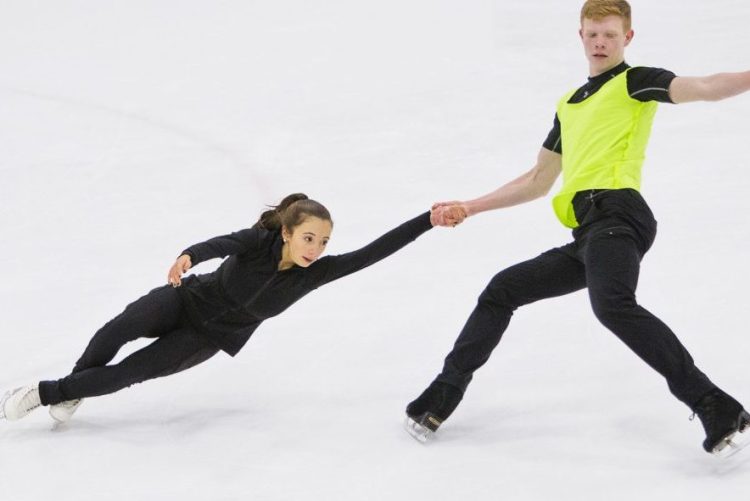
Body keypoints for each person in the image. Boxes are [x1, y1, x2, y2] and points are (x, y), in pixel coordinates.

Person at [404, 0, 750, 455]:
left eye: (610, 33)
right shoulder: (568, 105)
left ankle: (714, 404)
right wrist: (471, 206)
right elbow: (537, 180)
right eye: (592, 33)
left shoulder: (636, 82)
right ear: (581, 36)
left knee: (611, 304)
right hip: (588, 232)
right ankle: (441, 396)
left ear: (627, 37)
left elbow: (704, 86)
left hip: (619, 215)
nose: (601, 41)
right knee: (501, 290)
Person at [1, 194, 436, 424]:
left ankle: (45, 393)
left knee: (128, 372)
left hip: (207, 339)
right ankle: (77, 386)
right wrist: (188, 256)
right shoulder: (257, 242)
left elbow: (376, 251)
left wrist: (427, 220)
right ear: (286, 232)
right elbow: (219, 244)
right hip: (185, 299)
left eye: (323, 242)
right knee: (118, 329)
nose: (316, 249)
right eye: (309, 238)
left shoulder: (314, 274)